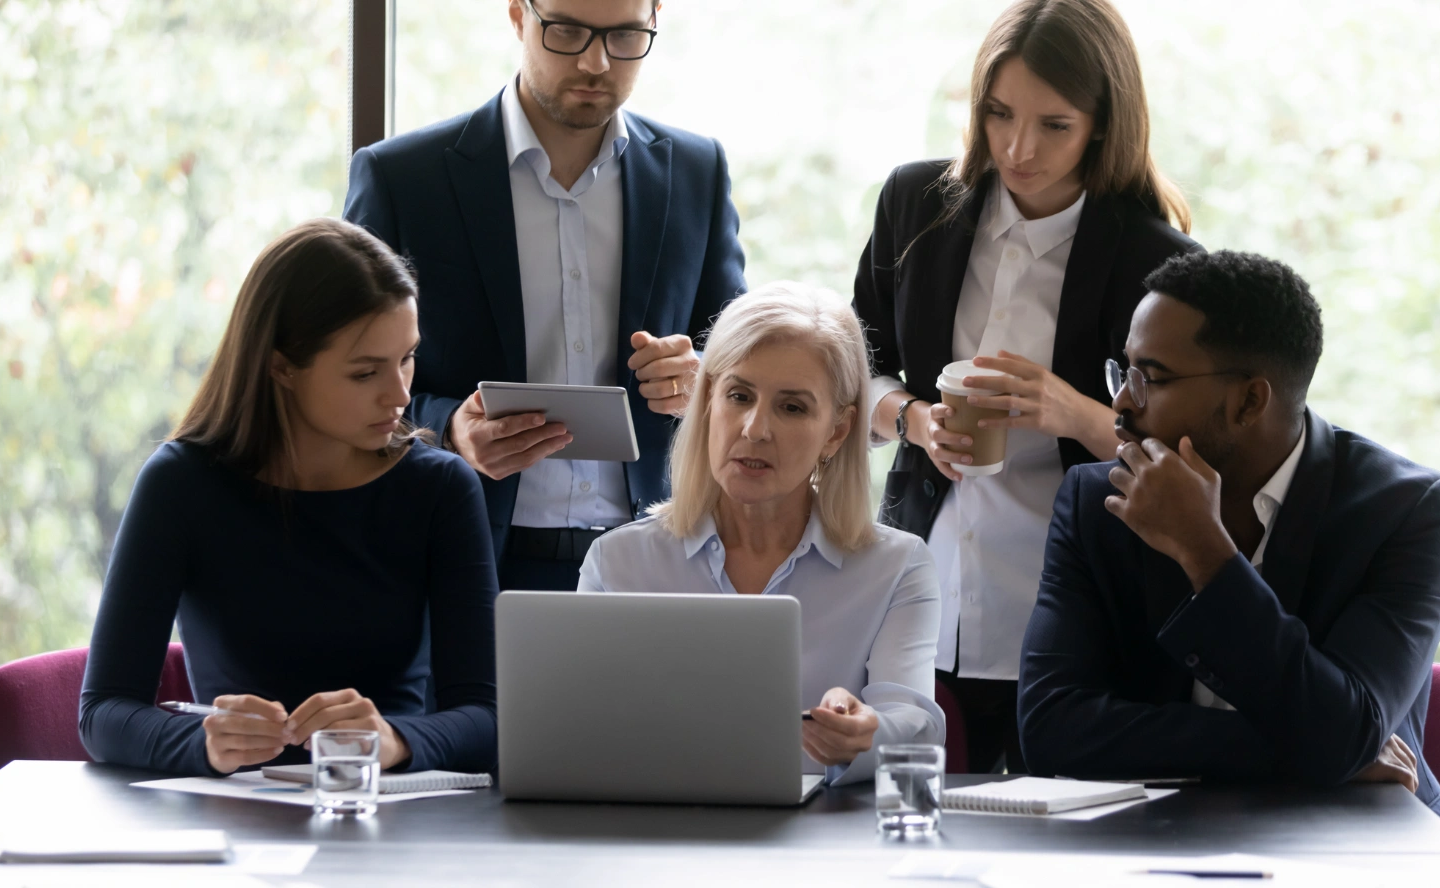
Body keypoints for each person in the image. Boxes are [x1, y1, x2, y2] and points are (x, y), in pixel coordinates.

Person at [854, 0, 1200, 773]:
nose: (1016, 147)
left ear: (1103, 125)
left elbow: (1189, 460)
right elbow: (857, 362)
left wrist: (1072, 412)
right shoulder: (915, 203)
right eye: (999, 113)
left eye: (1054, 125)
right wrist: (912, 420)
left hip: (1074, 602)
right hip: (922, 584)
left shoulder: (1156, 257)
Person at [1017, 250, 1440, 834]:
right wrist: (1296, 749)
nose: (1121, 405)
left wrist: (1207, 552)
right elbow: (1052, 728)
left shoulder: (1408, 512)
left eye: (1150, 378)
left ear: (1250, 402)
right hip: (1158, 837)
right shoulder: (1096, 500)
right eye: (1122, 372)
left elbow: (1346, 729)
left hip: (1359, 835)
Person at [344, 0, 747, 592]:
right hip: (460, 562)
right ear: (516, 16)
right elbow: (346, 380)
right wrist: (450, 428)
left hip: (658, 561)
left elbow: (739, 358)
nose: (595, 61)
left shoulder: (696, 171)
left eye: (626, 36)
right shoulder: (403, 179)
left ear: (655, 20)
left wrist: (702, 379)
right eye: (566, 31)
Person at [79, 219, 499, 777]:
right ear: (282, 366)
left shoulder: (440, 489)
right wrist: (203, 743)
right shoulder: (180, 484)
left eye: (407, 358)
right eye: (365, 372)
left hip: (393, 818)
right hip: (233, 821)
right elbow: (103, 712)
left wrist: (394, 739)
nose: (400, 394)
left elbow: (487, 716)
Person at [579, 283, 944, 784]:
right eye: (738, 395)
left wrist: (867, 730)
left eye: (792, 407)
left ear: (837, 431)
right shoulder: (616, 561)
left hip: (819, 849)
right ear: (708, 403)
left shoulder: (897, 567)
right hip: (657, 844)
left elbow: (915, 723)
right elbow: (582, 733)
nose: (754, 429)